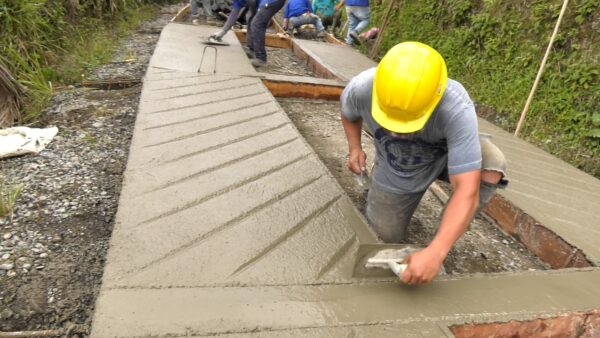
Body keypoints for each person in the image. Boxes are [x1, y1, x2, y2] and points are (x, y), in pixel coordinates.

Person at [340, 42, 508, 285]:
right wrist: (354, 148)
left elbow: (467, 188)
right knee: (385, 237)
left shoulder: (456, 107)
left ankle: (445, 233)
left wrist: (437, 251)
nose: (398, 132)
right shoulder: (362, 88)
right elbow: (348, 113)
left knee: (493, 164)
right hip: (398, 164)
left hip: (443, 155)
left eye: (408, 123)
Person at [247, 0, 286, 67]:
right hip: (268, 2)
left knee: (257, 24)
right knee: (255, 21)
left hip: (271, 1)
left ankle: (261, 58)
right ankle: (253, 50)